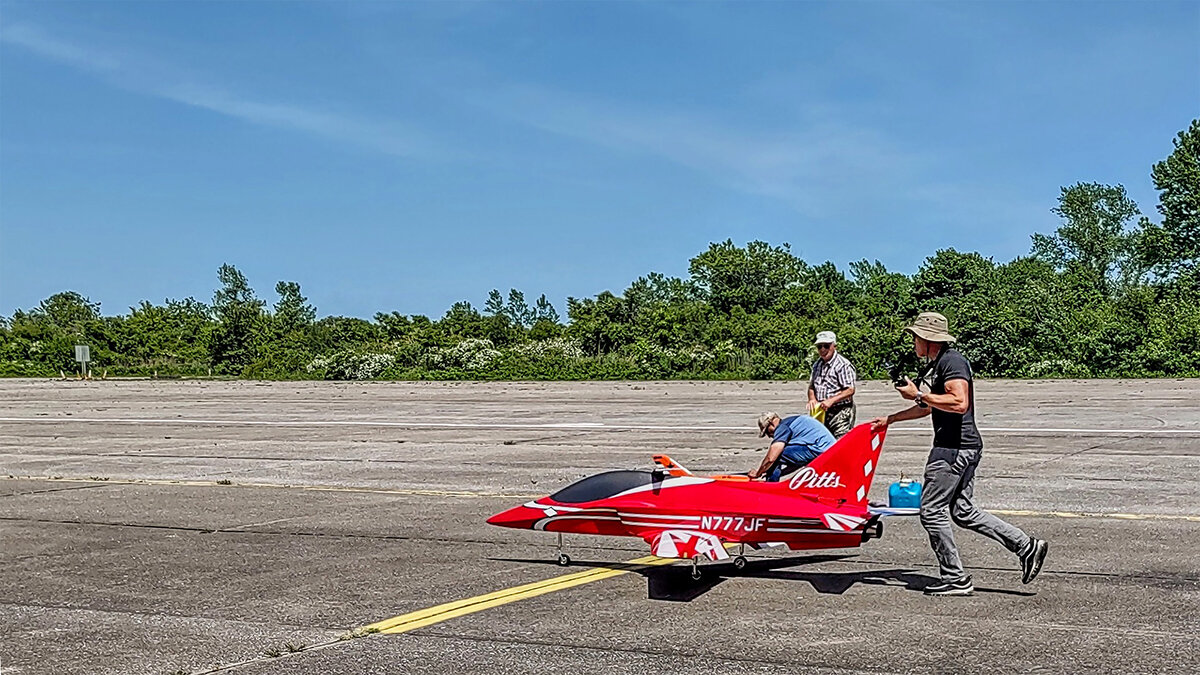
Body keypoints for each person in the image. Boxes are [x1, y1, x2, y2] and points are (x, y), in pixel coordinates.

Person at [871, 312, 1049, 596]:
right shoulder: (939, 364)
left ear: (928, 339)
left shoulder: (952, 362)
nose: (913, 342)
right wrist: (890, 419)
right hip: (964, 447)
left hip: (952, 450)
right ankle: (1026, 546)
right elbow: (929, 407)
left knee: (931, 511)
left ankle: (955, 578)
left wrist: (919, 394)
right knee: (963, 512)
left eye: (915, 336)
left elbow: (958, 402)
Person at [750, 411, 835, 482]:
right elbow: (797, 463)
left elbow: (771, 458)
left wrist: (758, 473)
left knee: (776, 455)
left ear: (771, 423)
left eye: (767, 432)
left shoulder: (782, 427)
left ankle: (769, 488)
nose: (769, 436)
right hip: (828, 450)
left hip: (819, 448)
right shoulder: (792, 424)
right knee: (777, 457)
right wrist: (777, 472)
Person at [807, 331, 856, 438]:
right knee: (823, 442)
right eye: (820, 347)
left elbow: (850, 390)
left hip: (841, 411)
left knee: (840, 443)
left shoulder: (843, 365)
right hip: (822, 412)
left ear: (834, 346)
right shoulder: (817, 365)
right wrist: (812, 399)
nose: (823, 350)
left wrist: (831, 400)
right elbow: (811, 386)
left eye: (826, 346)